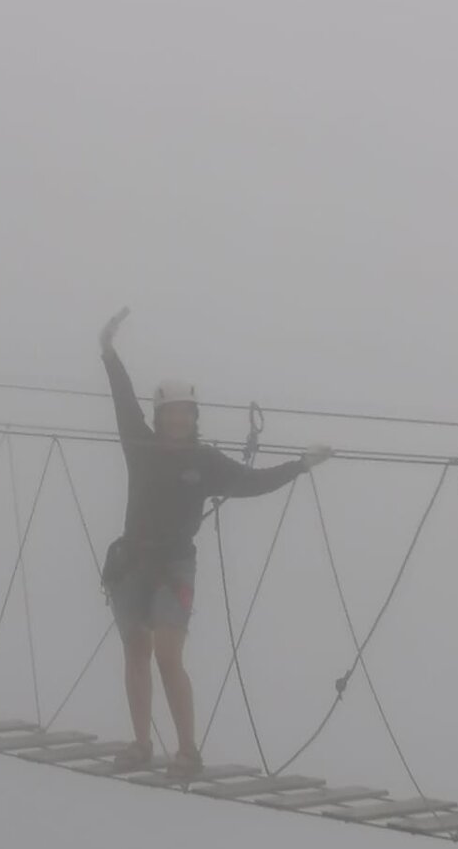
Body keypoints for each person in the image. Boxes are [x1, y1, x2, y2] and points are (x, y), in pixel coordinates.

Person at [99, 308, 333, 779]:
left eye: (185, 413)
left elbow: (253, 483)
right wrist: (108, 351)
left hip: (173, 567)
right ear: (160, 417)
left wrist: (300, 465)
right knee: (135, 652)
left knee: (167, 655)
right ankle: (141, 743)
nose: (178, 420)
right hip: (132, 563)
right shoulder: (139, 444)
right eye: (171, 413)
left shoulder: (206, 462)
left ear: (193, 418)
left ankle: (187, 750)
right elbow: (123, 398)